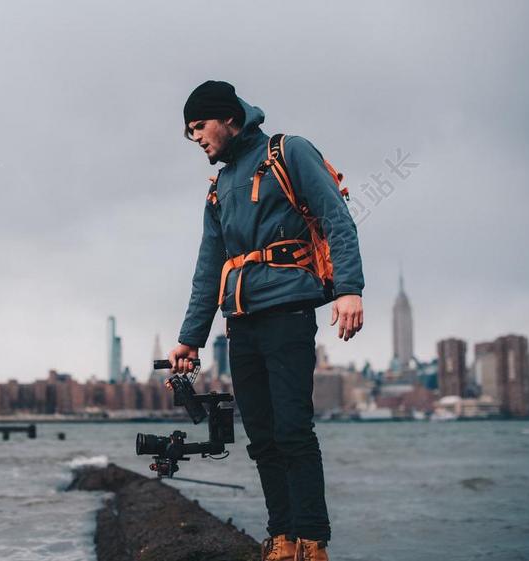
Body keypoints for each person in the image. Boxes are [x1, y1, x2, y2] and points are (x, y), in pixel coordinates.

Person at [167, 81, 365, 561]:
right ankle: (282, 538)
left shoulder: (288, 152)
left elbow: (337, 217)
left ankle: (313, 542)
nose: (195, 137)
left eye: (199, 126)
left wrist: (349, 290)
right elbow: (208, 267)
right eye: (188, 131)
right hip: (242, 323)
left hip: (289, 312)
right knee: (260, 435)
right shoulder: (217, 189)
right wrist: (190, 339)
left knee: (293, 429)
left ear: (229, 118)